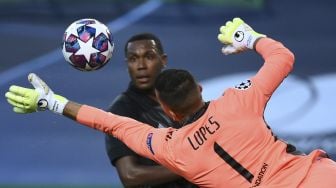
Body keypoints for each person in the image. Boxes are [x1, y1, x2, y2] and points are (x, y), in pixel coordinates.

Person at [6, 17, 336, 187]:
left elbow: (111, 123)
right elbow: (282, 58)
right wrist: (249, 38)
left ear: (166, 109)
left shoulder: (173, 148)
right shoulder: (241, 99)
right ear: (201, 89)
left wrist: (52, 103)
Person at [105, 33, 195, 187]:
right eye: (133, 59)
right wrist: (189, 167)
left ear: (163, 60)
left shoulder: (181, 98)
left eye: (149, 57)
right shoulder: (122, 110)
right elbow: (130, 175)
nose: (141, 66)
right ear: (128, 66)